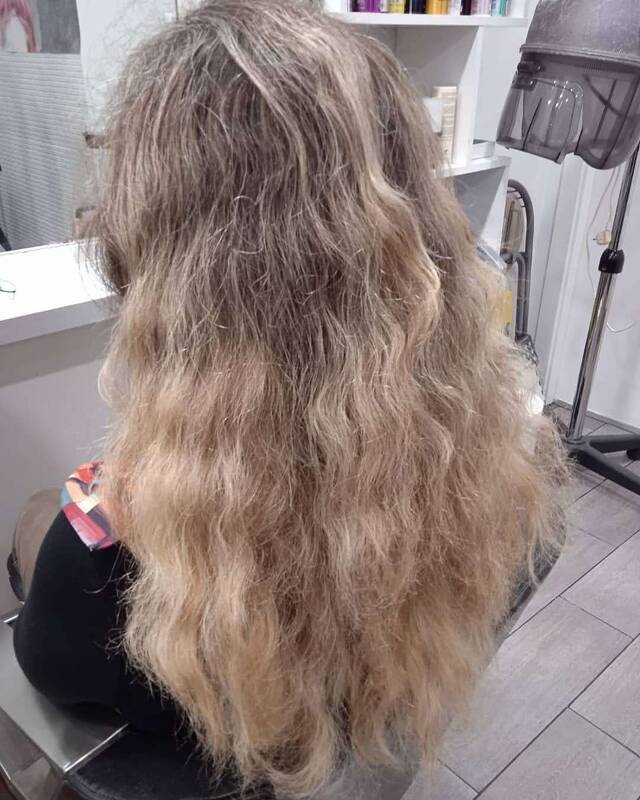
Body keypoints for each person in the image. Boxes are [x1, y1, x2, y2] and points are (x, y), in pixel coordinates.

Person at [10, 0, 566, 796]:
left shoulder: (98, 566)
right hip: (359, 700)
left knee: (39, 518)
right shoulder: (499, 478)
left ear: (162, 262)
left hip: (197, 719)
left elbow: (52, 666)